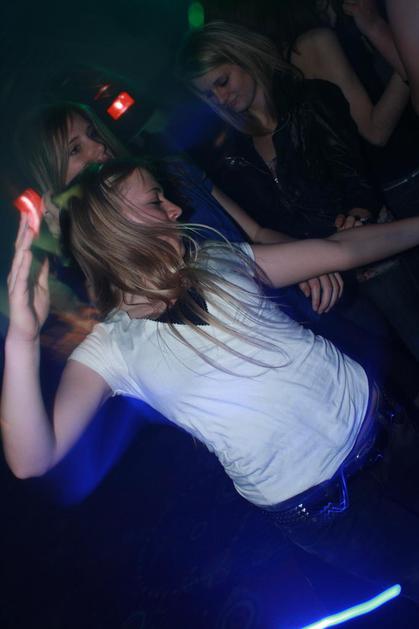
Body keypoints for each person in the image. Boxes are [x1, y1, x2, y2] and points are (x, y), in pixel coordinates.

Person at [5, 159, 419, 599]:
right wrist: (22, 340)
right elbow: (33, 459)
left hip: (389, 431)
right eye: (155, 200)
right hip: (328, 511)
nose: (175, 209)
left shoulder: (217, 258)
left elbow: (340, 250)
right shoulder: (110, 349)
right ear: (114, 227)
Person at [176, 20, 419, 367]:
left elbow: (355, 176)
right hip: (316, 279)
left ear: (242, 57)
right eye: (209, 95)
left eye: (222, 81)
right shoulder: (230, 151)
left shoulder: (311, 100)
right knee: (382, 370)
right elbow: (261, 226)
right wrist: (301, 262)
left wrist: (358, 214)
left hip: (368, 253)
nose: (221, 98)